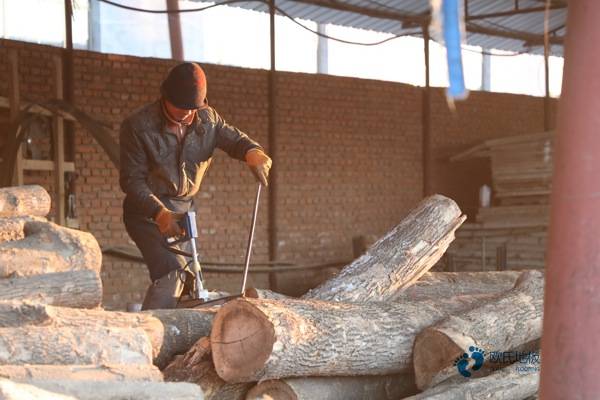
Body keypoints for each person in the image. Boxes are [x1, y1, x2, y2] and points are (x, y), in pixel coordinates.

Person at [119, 62, 271, 310]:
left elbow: (235, 141)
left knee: (192, 280)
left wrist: (253, 152)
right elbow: (131, 181)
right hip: (147, 212)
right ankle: (145, 335)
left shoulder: (207, 119)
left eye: (192, 109)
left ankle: (182, 338)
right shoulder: (138, 127)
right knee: (173, 273)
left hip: (184, 210)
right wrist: (160, 214)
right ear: (165, 96)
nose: (187, 114)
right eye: (181, 108)